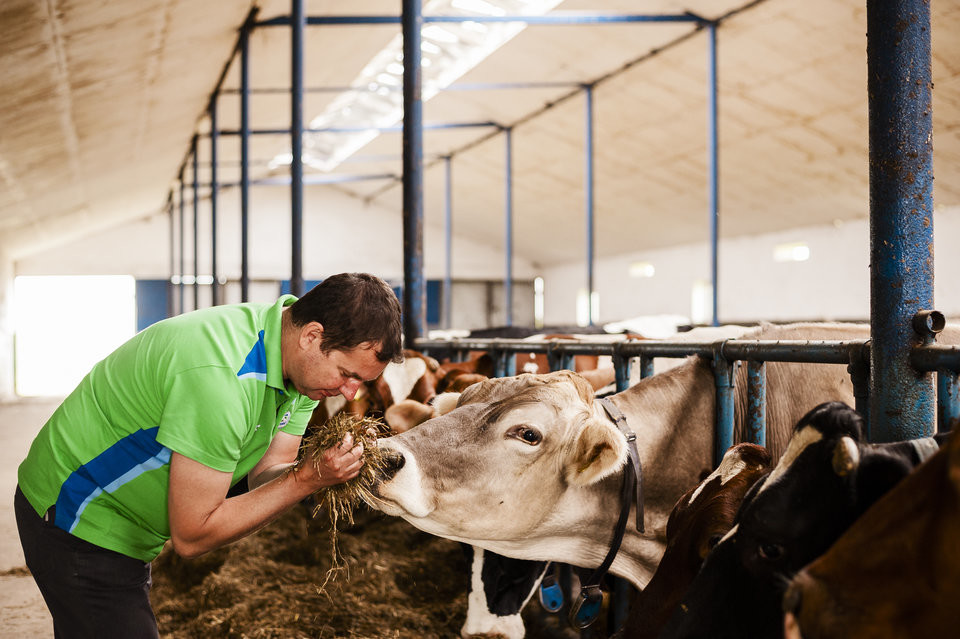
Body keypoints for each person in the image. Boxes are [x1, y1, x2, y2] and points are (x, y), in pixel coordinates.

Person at [14, 272, 403, 638]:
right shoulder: (222, 380)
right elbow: (193, 536)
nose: (352, 393)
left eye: (362, 381)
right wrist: (308, 479)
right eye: (347, 373)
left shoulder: (298, 369)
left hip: (131, 523)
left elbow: (268, 471)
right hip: (76, 514)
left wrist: (311, 473)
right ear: (313, 336)